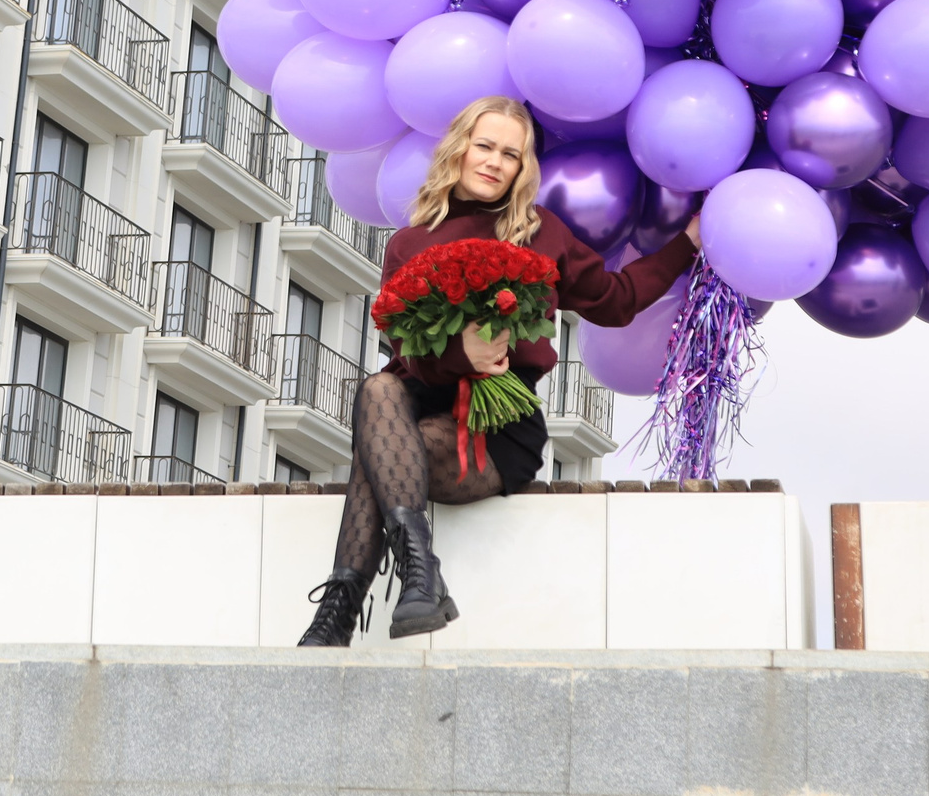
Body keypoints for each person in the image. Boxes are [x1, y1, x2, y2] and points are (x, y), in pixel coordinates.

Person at [298, 95, 699, 645]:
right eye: (484, 145)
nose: (494, 161)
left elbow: (617, 299)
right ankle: (420, 576)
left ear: (522, 168)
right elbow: (402, 346)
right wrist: (463, 354)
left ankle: (340, 612)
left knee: (380, 449)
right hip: (422, 402)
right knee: (381, 389)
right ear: (458, 149)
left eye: (510, 154)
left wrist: (688, 243)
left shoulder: (540, 231)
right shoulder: (408, 244)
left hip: (498, 422)